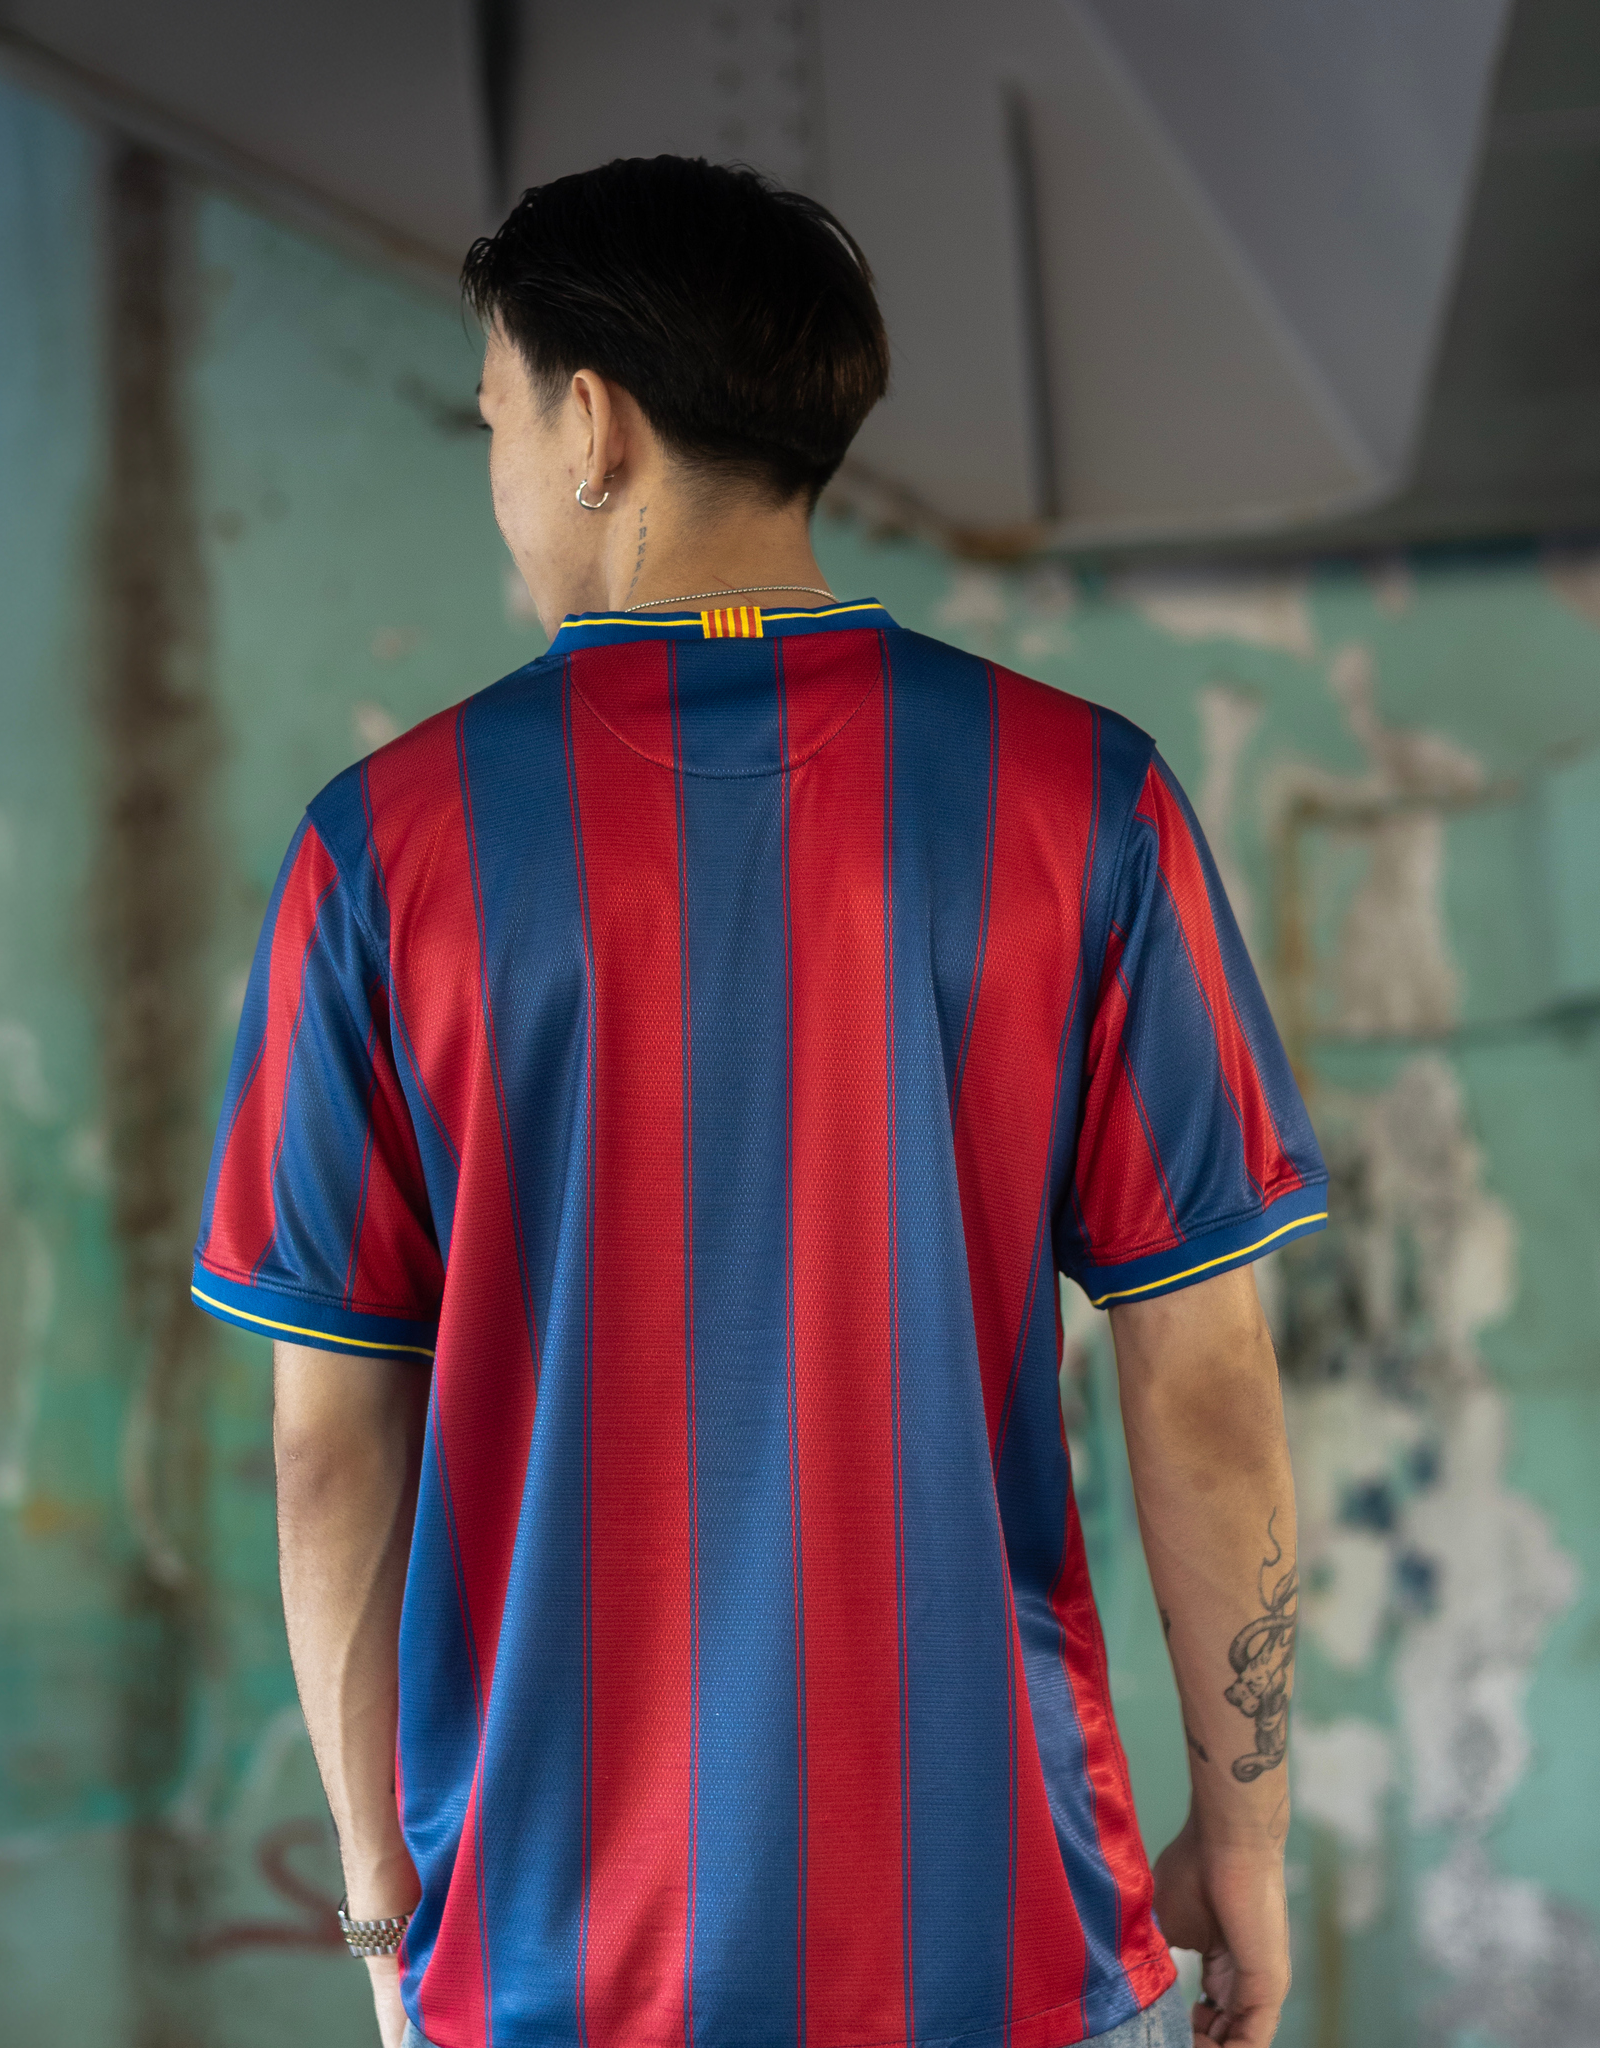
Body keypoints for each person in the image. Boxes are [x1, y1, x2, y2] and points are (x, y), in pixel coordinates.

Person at [192, 154, 1324, 2048]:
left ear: (592, 426)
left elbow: (330, 1446)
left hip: (547, 1960)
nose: (499, 476)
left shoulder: (382, 852)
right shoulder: (1087, 800)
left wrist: (386, 1902)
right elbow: (1203, 1379)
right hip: (997, 1938)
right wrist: (1248, 1838)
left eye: (492, 420)